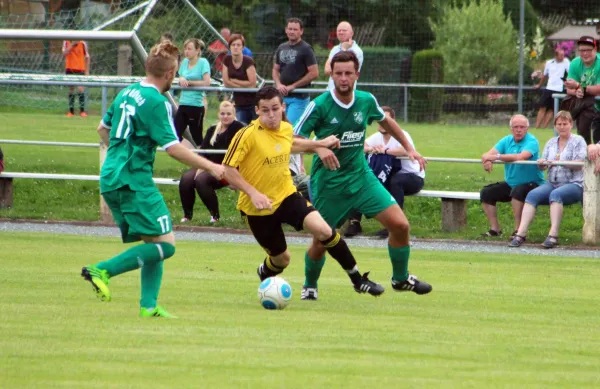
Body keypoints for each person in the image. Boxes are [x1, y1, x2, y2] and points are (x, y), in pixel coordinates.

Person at [80, 41, 225, 318]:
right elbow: (173, 149)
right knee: (166, 246)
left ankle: (148, 306)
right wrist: (211, 167)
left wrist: (121, 155)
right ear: (171, 74)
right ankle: (102, 270)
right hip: (134, 181)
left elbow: (102, 129)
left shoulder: (127, 92)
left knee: (155, 243)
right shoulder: (158, 102)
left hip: (111, 177)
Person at [294, 51, 432, 301]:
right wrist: (319, 146)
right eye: (338, 73)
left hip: (361, 178)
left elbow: (387, 122)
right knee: (321, 239)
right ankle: (309, 285)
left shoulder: (366, 100)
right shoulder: (320, 105)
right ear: (332, 75)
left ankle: (400, 279)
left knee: (400, 225)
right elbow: (291, 140)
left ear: (357, 74)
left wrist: (410, 149)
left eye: (348, 73)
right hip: (330, 184)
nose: (344, 78)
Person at [223, 85, 385, 297]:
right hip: (257, 207)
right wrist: (253, 193)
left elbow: (292, 145)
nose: (271, 115)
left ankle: (357, 279)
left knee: (326, 231)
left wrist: (319, 144)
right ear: (257, 110)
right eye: (265, 110)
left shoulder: (285, 129)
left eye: (275, 108)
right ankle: (265, 271)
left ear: (283, 107)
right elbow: (227, 170)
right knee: (282, 260)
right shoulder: (246, 135)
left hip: (287, 196)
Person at [345, 106, 425, 239]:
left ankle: (395, 226)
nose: (382, 123)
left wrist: (385, 151)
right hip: (390, 175)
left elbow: (405, 150)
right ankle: (355, 223)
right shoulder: (377, 137)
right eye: (379, 119)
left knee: (396, 182)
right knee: (360, 179)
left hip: (413, 177)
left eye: (385, 119)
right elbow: (361, 146)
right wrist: (371, 148)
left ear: (392, 121)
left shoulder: (402, 134)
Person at [509, 111, 586, 248]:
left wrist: (560, 162)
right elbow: (542, 167)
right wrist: (542, 163)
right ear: (555, 126)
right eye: (559, 124)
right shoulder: (551, 142)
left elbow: (580, 163)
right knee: (532, 195)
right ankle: (521, 233)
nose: (562, 127)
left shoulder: (578, 141)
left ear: (571, 124)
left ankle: (553, 234)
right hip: (553, 182)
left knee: (556, 195)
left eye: (565, 124)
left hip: (574, 184)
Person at [272, 17, 319, 198]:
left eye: (295, 29)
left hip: (299, 98)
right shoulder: (282, 48)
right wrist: (278, 83)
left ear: (301, 31)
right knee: (279, 131)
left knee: (292, 133)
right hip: (282, 97)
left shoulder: (306, 49)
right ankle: (284, 167)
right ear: (286, 30)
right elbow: (276, 69)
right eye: (289, 29)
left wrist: (294, 86)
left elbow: (314, 72)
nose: (292, 32)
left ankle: (298, 171)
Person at [479, 114, 546, 238]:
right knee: (486, 192)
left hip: (533, 184)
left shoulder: (532, 141)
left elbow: (521, 156)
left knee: (518, 191)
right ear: (511, 128)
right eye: (515, 127)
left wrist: (496, 157)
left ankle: (518, 230)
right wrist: (487, 160)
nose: (519, 130)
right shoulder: (506, 140)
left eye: (522, 127)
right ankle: (495, 229)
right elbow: (487, 154)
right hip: (511, 183)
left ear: (527, 129)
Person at [179, 101, 245, 223]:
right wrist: (201, 167)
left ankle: (215, 216)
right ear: (218, 114)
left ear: (234, 114)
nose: (225, 116)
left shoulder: (238, 128)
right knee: (186, 179)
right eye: (223, 113)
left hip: (228, 169)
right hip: (210, 166)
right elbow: (203, 151)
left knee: (201, 180)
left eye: (229, 114)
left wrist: (234, 178)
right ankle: (187, 216)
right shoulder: (212, 129)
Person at [564, 36, 600, 144]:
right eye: (582, 50)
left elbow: (598, 89)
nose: (585, 53)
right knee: (583, 136)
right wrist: (577, 92)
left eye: (588, 50)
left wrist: (578, 86)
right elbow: (569, 89)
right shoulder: (575, 63)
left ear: (595, 49)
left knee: (598, 138)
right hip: (586, 106)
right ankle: (587, 157)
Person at [174, 38, 211, 146]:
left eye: (189, 49)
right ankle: (188, 154)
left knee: (197, 136)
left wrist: (190, 83)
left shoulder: (203, 62)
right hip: (183, 103)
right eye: (185, 49)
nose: (186, 51)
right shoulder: (185, 62)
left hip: (196, 105)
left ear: (197, 50)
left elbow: (207, 82)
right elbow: (181, 76)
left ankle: (205, 158)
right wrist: (181, 79)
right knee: (175, 133)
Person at [222, 34, 257, 124]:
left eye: (238, 45)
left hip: (254, 103)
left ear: (243, 47)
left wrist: (234, 81)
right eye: (233, 45)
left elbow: (252, 84)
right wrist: (242, 86)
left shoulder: (248, 61)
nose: (235, 47)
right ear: (229, 47)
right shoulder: (227, 60)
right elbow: (226, 82)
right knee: (241, 130)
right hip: (239, 103)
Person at [534, 48, 570, 129]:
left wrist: (568, 83)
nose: (563, 57)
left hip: (559, 89)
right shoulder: (549, 63)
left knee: (552, 109)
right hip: (549, 88)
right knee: (542, 107)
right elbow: (544, 75)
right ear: (556, 56)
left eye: (563, 55)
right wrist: (539, 85)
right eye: (561, 55)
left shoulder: (566, 62)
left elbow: (571, 73)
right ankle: (537, 127)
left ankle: (544, 128)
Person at [324, 21, 364, 91]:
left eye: (344, 30)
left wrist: (343, 49)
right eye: (339, 30)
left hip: (346, 93)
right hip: (330, 92)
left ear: (352, 33)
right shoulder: (335, 49)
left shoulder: (357, 51)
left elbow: (341, 69)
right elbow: (327, 70)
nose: (341, 32)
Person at [62, 39, 90, 117]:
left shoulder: (82, 43)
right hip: (70, 69)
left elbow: (87, 57)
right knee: (71, 89)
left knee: (81, 88)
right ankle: (71, 112)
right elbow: (64, 53)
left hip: (80, 69)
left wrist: (87, 71)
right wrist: (72, 45)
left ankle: (82, 111)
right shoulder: (66, 42)